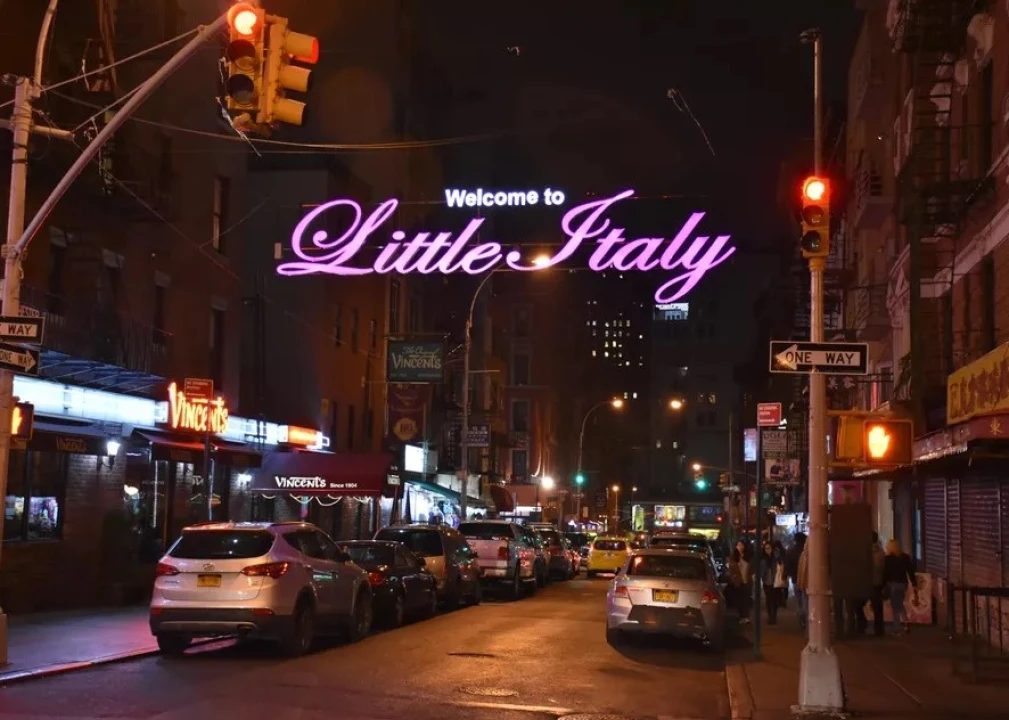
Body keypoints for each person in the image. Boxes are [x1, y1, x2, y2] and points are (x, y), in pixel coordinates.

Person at [883, 538, 916, 635]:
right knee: (899, 604)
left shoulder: (887, 559)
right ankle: (906, 622)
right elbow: (910, 571)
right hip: (902, 584)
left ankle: (897, 629)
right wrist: (914, 583)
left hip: (892, 584)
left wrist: (883, 584)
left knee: (895, 607)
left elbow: (885, 573)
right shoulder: (905, 557)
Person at [761, 541, 785, 625]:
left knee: (775, 600)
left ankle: (774, 615)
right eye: (766, 548)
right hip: (766, 582)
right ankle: (770, 616)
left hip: (775, 581)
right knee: (768, 599)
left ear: (772, 548)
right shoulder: (763, 558)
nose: (767, 550)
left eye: (769, 548)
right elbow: (761, 570)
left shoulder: (776, 557)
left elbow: (781, 565)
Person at [789, 533, 808, 630]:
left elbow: (788, 564)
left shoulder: (791, 550)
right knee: (805, 598)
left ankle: (800, 616)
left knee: (798, 599)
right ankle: (805, 616)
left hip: (795, 578)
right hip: (805, 578)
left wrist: (787, 574)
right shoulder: (806, 551)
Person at [870, 532, 886, 637]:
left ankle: (861, 625)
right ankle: (879, 629)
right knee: (878, 607)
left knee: (858, 604)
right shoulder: (881, 552)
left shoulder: (868, 552)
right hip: (878, 582)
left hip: (870, 581)